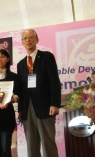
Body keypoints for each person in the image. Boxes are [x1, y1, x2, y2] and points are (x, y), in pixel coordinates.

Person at [17, 29, 61, 157]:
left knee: (48, 143)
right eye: (25, 38)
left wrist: (55, 104)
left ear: (37, 39)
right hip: (27, 107)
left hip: (45, 106)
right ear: (22, 42)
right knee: (31, 144)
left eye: (31, 37)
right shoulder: (20, 64)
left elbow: (54, 81)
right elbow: (20, 89)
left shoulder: (47, 56)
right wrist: (20, 110)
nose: (28, 40)